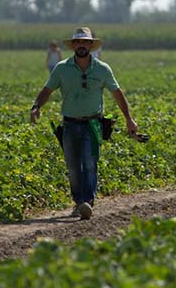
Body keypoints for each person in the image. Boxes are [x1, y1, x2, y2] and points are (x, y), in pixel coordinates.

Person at [30, 27, 140, 220]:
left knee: (89, 163)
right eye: (78, 42)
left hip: (93, 124)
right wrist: (36, 106)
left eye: (85, 42)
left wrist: (129, 119)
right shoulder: (61, 68)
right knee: (73, 167)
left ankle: (88, 201)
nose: (82, 45)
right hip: (70, 124)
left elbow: (117, 93)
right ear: (73, 45)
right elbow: (47, 90)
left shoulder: (102, 69)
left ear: (91, 45)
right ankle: (79, 202)